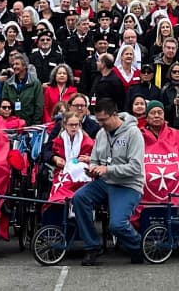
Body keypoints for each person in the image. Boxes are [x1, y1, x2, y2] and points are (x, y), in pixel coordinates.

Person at [71, 97, 146, 265]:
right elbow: (96, 160)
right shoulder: (101, 133)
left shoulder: (133, 133)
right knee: (79, 198)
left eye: (104, 120)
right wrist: (93, 169)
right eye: (98, 120)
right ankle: (92, 246)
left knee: (117, 225)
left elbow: (135, 168)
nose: (101, 124)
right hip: (105, 181)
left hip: (128, 184)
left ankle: (136, 245)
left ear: (114, 115)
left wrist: (107, 169)